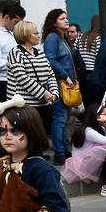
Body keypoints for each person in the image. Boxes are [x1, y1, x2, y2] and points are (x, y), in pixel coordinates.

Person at [6, 21, 59, 158]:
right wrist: (44, 93)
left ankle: (37, 158)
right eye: (35, 33)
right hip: (25, 105)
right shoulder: (16, 53)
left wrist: (53, 92)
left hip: (42, 105)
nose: (38, 36)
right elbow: (22, 78)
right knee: (27, 137)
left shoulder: (39, 53)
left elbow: (50, 73)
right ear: (25, 34)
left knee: (38, 136)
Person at [61, 102, 106, 195]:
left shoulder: (101, 128)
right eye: (105, 115)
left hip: (93, 162)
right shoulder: (88, 131)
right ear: (96, 116)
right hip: (83, 165)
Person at [41, 9, 76, 165]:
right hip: (59, 82)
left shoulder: (63, 38)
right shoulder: (53, 38)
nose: (66, 20)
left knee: (65, 118)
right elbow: (51, 60)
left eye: (66, 17)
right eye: (62, 18)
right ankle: (59, 153)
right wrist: (65, 76)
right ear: (54, 22)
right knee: (59, 119)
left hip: (67, 84)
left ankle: (64, 150)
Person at [75, 14, 102, 105]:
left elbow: (75, 51)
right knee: (98, 104)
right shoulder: (98, 37)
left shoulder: (81, 36)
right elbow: (99, 56)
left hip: (82, 74)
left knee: (88, 103)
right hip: (94, 74)